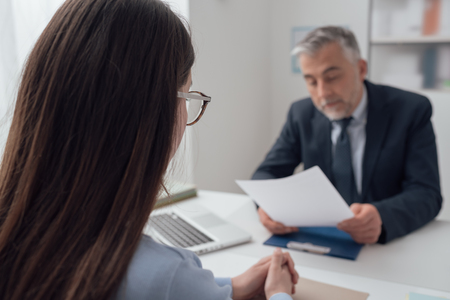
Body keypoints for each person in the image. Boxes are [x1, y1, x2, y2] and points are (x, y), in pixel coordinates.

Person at [0, 0, 299, 299]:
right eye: (187, 94)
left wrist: (226, 287)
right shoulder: (166, 276)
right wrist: (279, 292)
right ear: (152, 111)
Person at [252, 26, 442, 245]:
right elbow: (266, 173)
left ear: (361, 69)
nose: (322, 93)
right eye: (312, 82)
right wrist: (267, 206)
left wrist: (382, 216)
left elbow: (427, 193)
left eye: (331, 77)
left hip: (388, 248)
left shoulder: (411, 110)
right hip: (320, 243)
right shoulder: (301, 114)